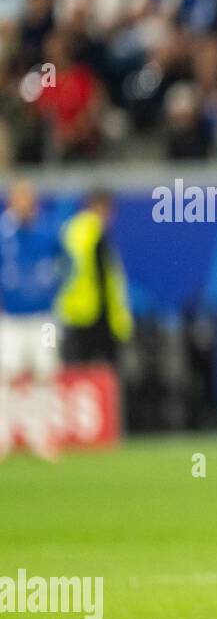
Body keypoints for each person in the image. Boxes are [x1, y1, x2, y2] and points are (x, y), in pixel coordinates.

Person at [0, 180, 67, 460]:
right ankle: (3, 438)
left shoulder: (47, 231)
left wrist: (52, 289)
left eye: (29, 199)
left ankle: (41, 437)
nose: (25, 204)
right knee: (6, 375)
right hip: (11, 318)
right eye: (20, 198)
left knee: (45, 374)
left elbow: (67, 264)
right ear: (12, 201)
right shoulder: (3, 232)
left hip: (43, 318)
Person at [57, 190, 132, 366]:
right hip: (83, 318)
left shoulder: (89, 233)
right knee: (85, 375)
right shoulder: (85, 232)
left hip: (88, 317)